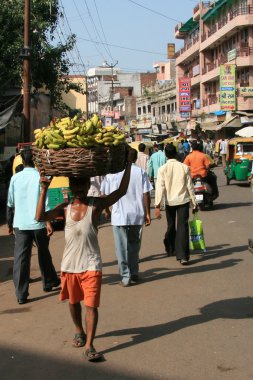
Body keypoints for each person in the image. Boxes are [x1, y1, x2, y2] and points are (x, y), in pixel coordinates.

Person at [35, 148, 135, 362]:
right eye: (75, 185)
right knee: (73, 302)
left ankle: (89, 345)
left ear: (89, 185)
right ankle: (79, 330)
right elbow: (39, 216)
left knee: (91, 305)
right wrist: (43, 189)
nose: (79, 189)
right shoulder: (64, 208)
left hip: (91, 265)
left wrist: (127, 165)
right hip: (69, 265)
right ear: (70, 187)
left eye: (82, 184)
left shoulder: (96, 206)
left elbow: (121, 191)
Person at [6, 148, 60, 305]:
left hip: (21, 224)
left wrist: (10, 223)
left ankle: (21, 293)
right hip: (39, 223)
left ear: (22, 161)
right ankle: (48, 282)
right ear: (35, 161)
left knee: (21, 258)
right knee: (43, 252)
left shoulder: (15, 178)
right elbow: (46, 202)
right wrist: (48, 222)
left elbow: (10, 203)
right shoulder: (39, 177)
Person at [101, 149, 152, 286]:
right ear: (134, 159)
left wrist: (106, 209)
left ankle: (125, 276)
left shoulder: (112, 174)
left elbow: (103, 194)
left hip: (119, 216)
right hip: (137, 214)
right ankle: (134, 273)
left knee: (121, 247)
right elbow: (146, 193)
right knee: (134, 246)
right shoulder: (140, 172)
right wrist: (148, 213)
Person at [155, 144, 198, 264]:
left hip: (170, 202)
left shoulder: (162, 169)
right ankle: (182, 255)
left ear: (165, 154)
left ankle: (171, 248)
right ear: (176, 153)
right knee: (182, 227)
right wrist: (194, 203)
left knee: (171, 225)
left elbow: (160, 188)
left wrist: (157, 206)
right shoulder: (184, 167)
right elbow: (190, 187)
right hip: (182, 201)